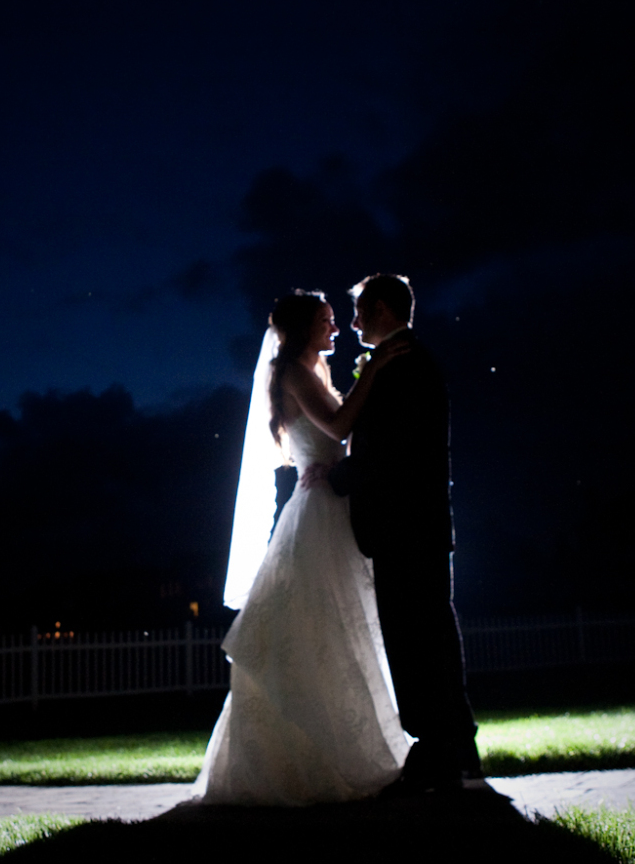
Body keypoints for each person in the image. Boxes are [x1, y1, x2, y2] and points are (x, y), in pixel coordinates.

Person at [192, 290, 410, 806]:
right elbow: (338, 424)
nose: (335, 328)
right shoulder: (291, 371)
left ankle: (342, 748)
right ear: (302, 327)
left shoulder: (317, 370)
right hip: (316, 515)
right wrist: (375, 370)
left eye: (335, 319)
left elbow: (341, 437)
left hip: (333, 501)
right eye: (326, 320)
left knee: (338, 632)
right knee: (315, 628)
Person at [329, 274, 481, 794]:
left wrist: (339, 476)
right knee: (426, 636)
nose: (353, 323)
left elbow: (394, 449)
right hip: (412, 525)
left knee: (418, 640)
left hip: (406, 525)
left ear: (382, 309)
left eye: (359, 311)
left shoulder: (405, 365)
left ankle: (440, 750)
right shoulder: (399, 361)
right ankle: (452, 748)